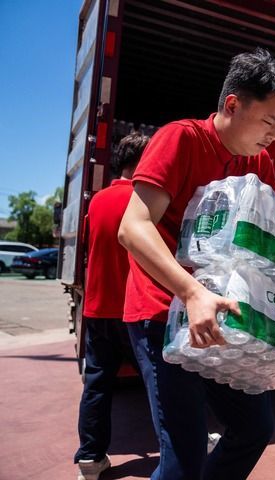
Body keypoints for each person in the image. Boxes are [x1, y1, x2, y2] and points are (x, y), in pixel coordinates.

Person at [117, 48, 275, 480]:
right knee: (184, 454)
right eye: (268, 122)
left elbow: (271, 234)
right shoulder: (180, 139)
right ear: (233, 104)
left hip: (222, 313)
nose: (274, 135)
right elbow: (133, 227)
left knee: (255, 426)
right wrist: (192, 291)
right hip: (165, 311)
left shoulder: (259, 162)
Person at [75, 132, 150, 480]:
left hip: (96, 307)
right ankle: (185, 441)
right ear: (142, 162)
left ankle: (90, 458)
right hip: (133, 309)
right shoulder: (143, 200)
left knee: (97, 385)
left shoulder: (97, 201)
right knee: (161, 382)